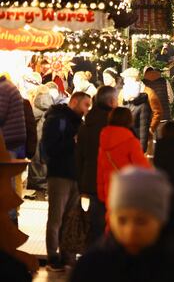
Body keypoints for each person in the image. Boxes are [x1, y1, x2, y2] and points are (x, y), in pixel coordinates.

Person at [64, 167, 174, 282]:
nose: (130, 231)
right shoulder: (93, 267)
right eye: (122, 220)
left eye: (141, 221)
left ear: (161, 218)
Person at [41, 91, 91, 271]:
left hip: (74, 175)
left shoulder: (79, 122)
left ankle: (67, 256)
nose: (87, 109)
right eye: (85, 105)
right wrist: (73, 141)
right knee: (56, 217)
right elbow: (50, 147)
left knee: (71, 218)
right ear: (74, 101)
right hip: (59, 174)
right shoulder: (57, 119)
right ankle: (53, 257)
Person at [76, 85, 118, 243]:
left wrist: (80, 182)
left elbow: (79, 156)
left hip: (91, 177)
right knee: (111, 220)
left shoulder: (87, 124)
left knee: (96, 219)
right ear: (112, 101)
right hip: (112, 179)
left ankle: (93, 253)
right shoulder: (114, 124)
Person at [96, 107, 151, 206]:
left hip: (109, 191)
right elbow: (143, 168)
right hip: (127, 191)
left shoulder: (104, 141)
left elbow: (101, 170)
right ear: (129, 120)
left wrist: (101, 193)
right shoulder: (131, 142)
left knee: (112, 219)